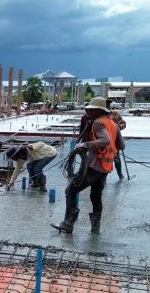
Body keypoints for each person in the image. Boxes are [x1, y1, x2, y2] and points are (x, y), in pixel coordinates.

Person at [51, 97, 125, 234]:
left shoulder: (98, 123)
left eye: (91, 110)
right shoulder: (113, 124)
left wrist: (85, 145)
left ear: (99, 110)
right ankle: (95, 228)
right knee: (96, 196)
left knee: (70, 190)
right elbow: (121, 145)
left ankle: (68, 223)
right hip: (106, 167)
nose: (88, 112)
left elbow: (105, 140)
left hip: (95, 165)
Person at [108, 110, 127, 180]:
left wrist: (118, 127)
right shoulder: (99, 113)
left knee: (116, 159)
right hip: (101, 139)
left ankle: (119, 173)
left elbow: (123, 124)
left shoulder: (115, 114)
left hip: (113, 139)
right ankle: (102, 176)